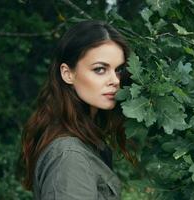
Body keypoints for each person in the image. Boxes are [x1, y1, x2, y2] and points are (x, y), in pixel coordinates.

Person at [20, 20, 134, 200]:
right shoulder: (69, 156)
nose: (115, 80)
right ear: (67, 74)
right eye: (100, 69)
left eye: (119, 70)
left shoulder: (87, 141)